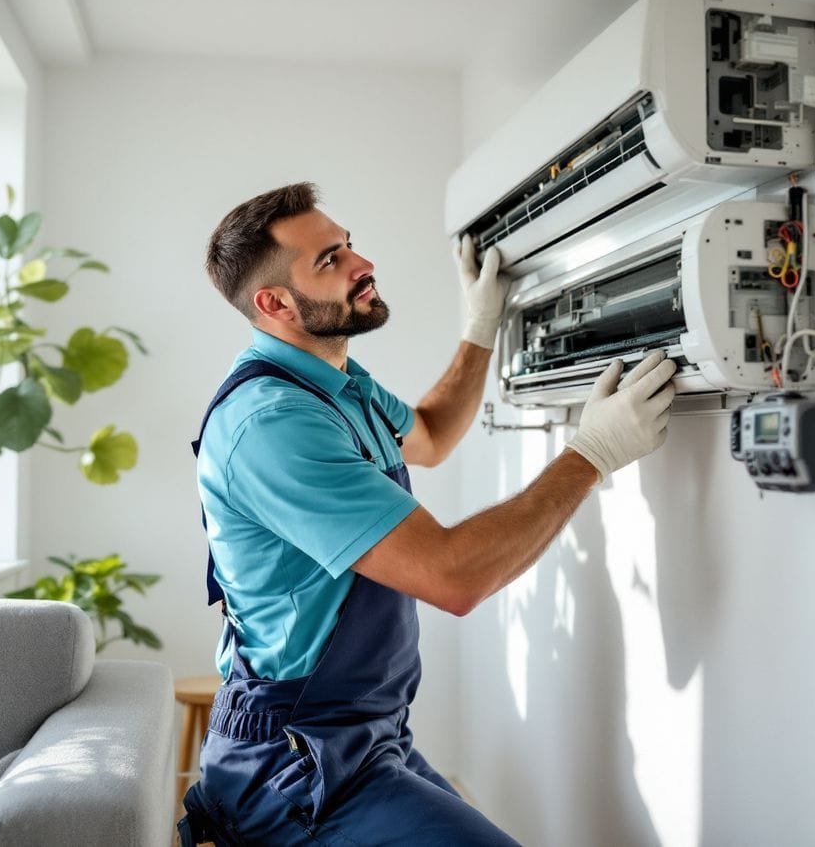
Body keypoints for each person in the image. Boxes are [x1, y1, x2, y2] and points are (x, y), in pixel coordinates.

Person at [179, 182, 677, 846]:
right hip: (294, 762)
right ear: (274, 303)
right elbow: (454, 576)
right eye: (329, 260)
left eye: (349, 244)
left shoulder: (336, 384)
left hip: (366, 736)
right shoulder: (275, 422)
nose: (363, 264)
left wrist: (481, 329)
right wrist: (590, 453)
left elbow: (432, 433)